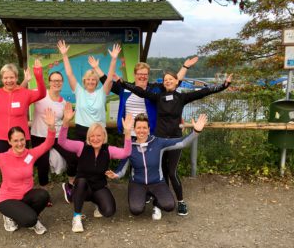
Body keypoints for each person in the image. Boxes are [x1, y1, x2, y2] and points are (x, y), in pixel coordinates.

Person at [119, 72, 233, 216]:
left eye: (170, 79)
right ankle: (158, 202)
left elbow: (203, 92)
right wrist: (123, 83)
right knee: (161, 172)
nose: (167, 82)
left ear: (176, 81)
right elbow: (140, 92)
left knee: (172, 172)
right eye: (165, 80)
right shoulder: (158, 97)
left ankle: (180, 201)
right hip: (158, 141)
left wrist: (224, 85)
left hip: (175, 140)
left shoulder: (182, 98)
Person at [106, 113, 207, 220]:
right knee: (136, 210)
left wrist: (196, 132)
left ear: (149, 129)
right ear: (134, 129)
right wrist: (115, 175)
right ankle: (143, 196)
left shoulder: (158, 142)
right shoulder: (129, 147)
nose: (142, 130)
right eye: (139, 127)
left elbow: (181, 143)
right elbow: (121, 170)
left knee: (169, 206)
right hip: (137, 183)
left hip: (157, 182)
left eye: (144, 127)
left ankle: (157, 204)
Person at [57, 40, 121, 202]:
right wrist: (64, 55)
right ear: (84, 82)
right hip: (82, 131)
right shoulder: (78, 91)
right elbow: (70, 74)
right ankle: (72, 185)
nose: (91, 82)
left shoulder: (102, 92)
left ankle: (97, 193)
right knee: (80, 163)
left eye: (93, 80)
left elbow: (108, 80)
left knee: (99, 164)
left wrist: (113, 59)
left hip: (100, 134)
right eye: (88, 80)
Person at [58, 104, 133, 233]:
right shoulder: (81, 147)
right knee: (81, 181)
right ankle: (76, 217)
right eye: (92, 135)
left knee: (109, 212)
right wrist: (65, 122)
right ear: (88, 137)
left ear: (104, 137)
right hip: (83, 188)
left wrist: (127, 133)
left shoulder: (108, 150)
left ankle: (97, 203)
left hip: (98, 187)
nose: (95, 138)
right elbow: (62, 142)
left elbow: (126, 153)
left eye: (99, 135)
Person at [90, 58, 198, 136]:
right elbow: (107, 82)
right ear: (135, 75)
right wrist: (96, 68)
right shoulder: (125, 87)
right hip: (129, 132)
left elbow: (174, 81)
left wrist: (185, 66)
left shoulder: (155, 89)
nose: (143, 76)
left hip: (150, 133)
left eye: (145, 74)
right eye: (140, 74)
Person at [27, 71, 78, 205]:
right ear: (49, 82)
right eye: (54, 80)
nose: (56, 83)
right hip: (39, 135)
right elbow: (22, 98)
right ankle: (44, 192)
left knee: (73, 157)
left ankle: (71, 185)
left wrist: (68, 118)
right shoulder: (39, 94)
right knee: (43, 164)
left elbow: (63, 121)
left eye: (59, 80)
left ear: (62, 83)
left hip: (56, 136)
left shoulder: (64, 103)